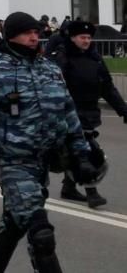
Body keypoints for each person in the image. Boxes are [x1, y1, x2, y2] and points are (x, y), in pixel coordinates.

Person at [0, 12, 99, 273]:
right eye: (26, 32)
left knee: (15, 221)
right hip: (13, 161)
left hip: (44, 159)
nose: (34, 36)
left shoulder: (48, 68)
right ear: (10, 35)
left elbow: (68, 112)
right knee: (40, 232)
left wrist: (81, 155)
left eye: (36, 31)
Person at [48, 20, 127, 208]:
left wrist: (123, 110)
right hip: (68, 115)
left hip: (90, 113)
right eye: (82, 37)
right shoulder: (62, 58)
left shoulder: (95, 59)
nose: (86, 41)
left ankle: (68, 188)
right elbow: (53, 89)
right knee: (88, 154)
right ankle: (92, 192)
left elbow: (107, 88)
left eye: (89, 37)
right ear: (72, 38)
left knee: (76, 153)